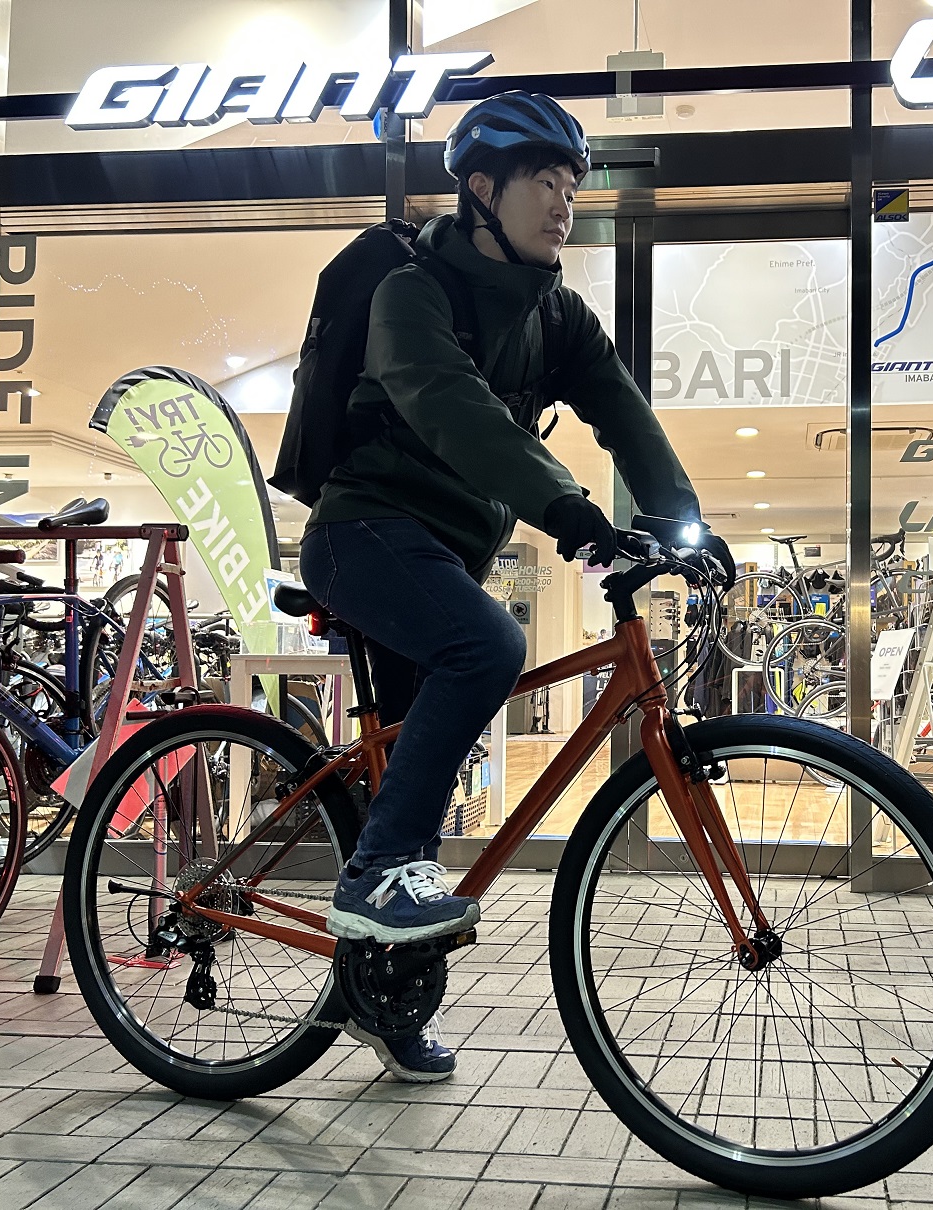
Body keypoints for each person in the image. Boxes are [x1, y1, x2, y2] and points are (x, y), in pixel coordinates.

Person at [298, 92, 732, 1082]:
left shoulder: (558, 316)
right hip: (362, 534)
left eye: (572, 184)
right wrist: (568, 509)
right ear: (483, 189)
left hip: (442, 557)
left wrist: (682, 519)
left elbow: (623, 411)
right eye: (545, 180)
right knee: (489, 645)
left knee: (418, 788)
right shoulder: (412, 293)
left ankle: (381, 996)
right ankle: (372, 874)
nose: (564, 202)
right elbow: (455, 412)